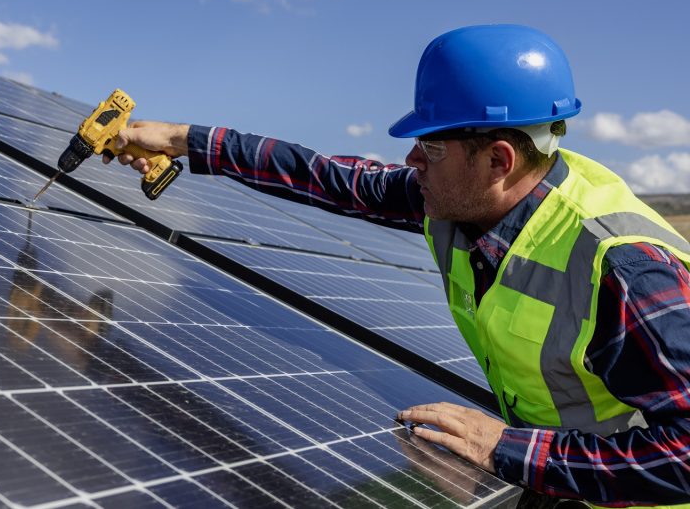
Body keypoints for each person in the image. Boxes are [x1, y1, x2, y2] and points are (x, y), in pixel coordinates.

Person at [104, 25, 690, 507]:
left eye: (430, 148)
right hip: (564, 479)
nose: (411, 160)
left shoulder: (625, 272)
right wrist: (186, 140)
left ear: (498, 159)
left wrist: (505, 448)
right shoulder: (467, 199)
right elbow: (331, 178)